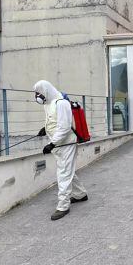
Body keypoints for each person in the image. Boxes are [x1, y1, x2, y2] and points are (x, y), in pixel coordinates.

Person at [34, 80, 88, 221]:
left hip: (66, 144)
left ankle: (63, 206)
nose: (37, 96)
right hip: (58, 146)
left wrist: (52, 144)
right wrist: (45, 129)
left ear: (46, 90)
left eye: (39, 93)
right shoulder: (48, 104)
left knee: (63, 173)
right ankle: (81, 194)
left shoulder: (61, 103)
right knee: (67, 170)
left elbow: (64, 127)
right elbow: (53, 121)